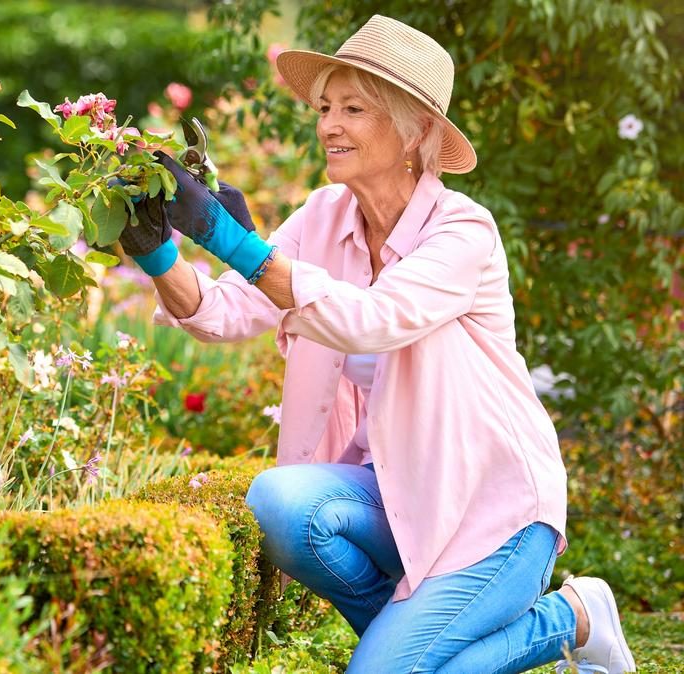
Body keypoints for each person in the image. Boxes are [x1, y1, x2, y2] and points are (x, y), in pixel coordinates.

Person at [117, 14, 637, 674]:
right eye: (326, 107)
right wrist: (155, 247)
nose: (329, 124)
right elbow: (225, 311)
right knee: (278, 503)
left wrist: (234, 240)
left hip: (495, 516)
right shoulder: (323, 217)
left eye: (353, 109)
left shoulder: (462, 232)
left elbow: (373, 319)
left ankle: (571, 615)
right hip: (400, 498)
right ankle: (455, 644)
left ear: (416, 130)